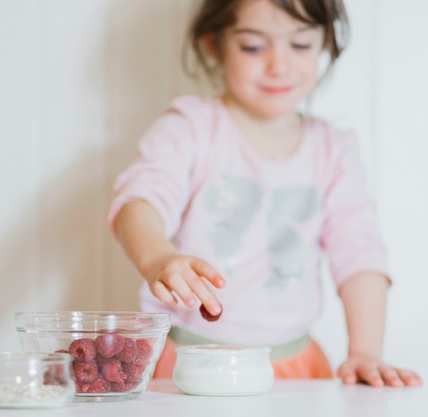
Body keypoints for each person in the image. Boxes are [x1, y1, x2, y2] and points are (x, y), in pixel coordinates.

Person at [108, 0, 423, 387]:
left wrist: (365, 352)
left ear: (325, 43)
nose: (278, 65)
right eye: (253, 47)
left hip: (296, 366)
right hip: (188, 361)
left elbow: (359, 253)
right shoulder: (190, 128)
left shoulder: (333, 149)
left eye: (301, 45)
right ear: (213, 44)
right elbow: (141, 199)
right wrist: (158, 258)